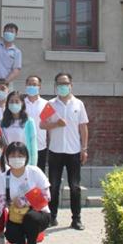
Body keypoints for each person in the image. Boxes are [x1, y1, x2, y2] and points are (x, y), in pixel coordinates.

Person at [0, 142, 50, 244]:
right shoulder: (3, 177)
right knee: (11, 234)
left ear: (26, 157)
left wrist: (25, 201)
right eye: (13, 156)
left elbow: (47, 196)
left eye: (20, 156)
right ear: (7, 158)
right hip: (16, 215)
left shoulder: (34, 172)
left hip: (38, 212)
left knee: (31, 218)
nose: (16, 159)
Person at [40, 72, 89, 230]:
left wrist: (84, 148)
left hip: (74, 151)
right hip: (55, 151)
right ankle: (52, 217)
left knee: (75, 186)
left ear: (71, 85)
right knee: (54, 186)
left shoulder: (78, 104)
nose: (63, 86)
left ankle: (76, 219)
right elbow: (42, 125)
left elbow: (83, 127)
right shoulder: (50, 104)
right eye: (60, 84)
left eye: (65, 83)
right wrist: (56, 124)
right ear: (55, 86)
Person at [1, 91, 38, 165]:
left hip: (24, 160)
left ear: (22, 103)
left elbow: (33, 145)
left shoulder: (29, 122)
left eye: (17, 101)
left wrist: (33, 165)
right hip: (8, 160)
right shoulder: (2, 122)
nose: (14, 104)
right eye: (11, 101)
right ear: (7, 104)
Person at [24, 75, 49, 172]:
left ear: (39, 86)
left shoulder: (46, 104)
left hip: (40, 146)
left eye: (34, 84)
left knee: (39, 173)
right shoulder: (21, 103)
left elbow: (49, 124)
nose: (32, 86)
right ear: (26, 85)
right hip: (24, 145)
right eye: (29, 84)